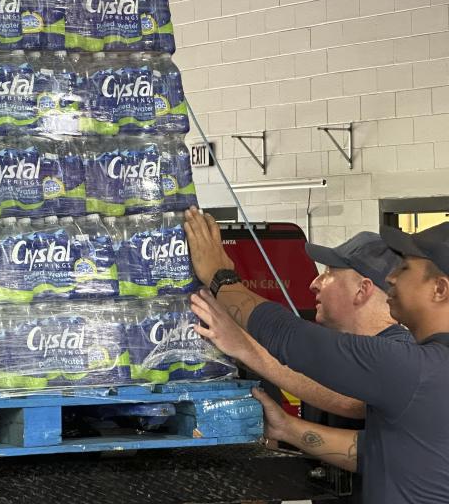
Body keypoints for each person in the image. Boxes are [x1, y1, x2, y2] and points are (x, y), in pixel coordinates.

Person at [184, 207, 449, 504]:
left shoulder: (417, 369)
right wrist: (289, 428)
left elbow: (291, 337)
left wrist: (221, 278)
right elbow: (376, 451)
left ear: (439, 289)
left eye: (405, 269)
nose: (391, 279)